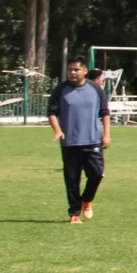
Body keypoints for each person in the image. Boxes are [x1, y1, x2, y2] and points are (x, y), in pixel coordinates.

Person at [47, 56, 110, 224]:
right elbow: (52, 112)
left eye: (76, 70)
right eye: (70, 70)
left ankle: (87, 200)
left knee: (97, 174)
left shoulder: (95, 88)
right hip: (70, 142)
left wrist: (107, 135)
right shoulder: (61, 89)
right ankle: (74, 213)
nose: (72, 73)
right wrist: (58, 130)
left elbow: (105, 113)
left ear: (84, 71)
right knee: (72, 179)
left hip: (92, 140)